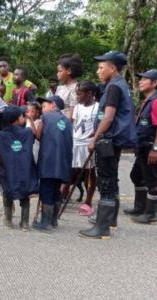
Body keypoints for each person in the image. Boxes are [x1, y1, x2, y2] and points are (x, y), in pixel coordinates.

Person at [79, 50, 137, 240]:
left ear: (112, 68)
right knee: (111, 179)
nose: (98, 71)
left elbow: (108, 117)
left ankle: (102, 227)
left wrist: (94, 138)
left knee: (105, 181)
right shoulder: (121, 85)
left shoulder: (113, 87)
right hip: (114, 140)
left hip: (108, 140)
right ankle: (110, 220)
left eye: (101, 67)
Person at [122, 70, 157, 224]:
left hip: (150, 148)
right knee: (136, 176)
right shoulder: (149, 100)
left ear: (154, 83)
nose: (141, 82)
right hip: (142, 147)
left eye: (144, 79)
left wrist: (156, 149)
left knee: (152, 181)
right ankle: (140, 207)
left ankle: (150, 214)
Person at [29, 95, 73, 232]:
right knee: (56, 191)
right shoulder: (67, 121)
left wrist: (30, 121)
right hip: (63, 163)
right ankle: (53, 220)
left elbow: (38, 136)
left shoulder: (46, 117)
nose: (43, 110)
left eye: (44, 106)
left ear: (53, 105)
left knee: (46, 191)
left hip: (49, 161)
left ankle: (45, 223)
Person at [0, 105, 38, 231]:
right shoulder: (27, 132)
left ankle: (8, 219)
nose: (23, 117)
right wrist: (30, 120)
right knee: (25, 195)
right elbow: (35, 134)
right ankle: (24, 223)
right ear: (17, 118)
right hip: (25, 170)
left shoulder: (0, 135)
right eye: (22, 115)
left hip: (8, 170)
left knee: (7, 193)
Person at [71, 81, 99, 216]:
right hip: (75, 143)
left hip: (87, 145)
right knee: (70, 172)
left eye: (80, 93)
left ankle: (88, 202)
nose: (77, 96)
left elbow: (100, 127)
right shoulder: (77, 107)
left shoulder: (98, 108)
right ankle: (61, 196)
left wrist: (94, 140)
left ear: (90, 94)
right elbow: (75, 124)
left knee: (90, 174)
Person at [56, 54, 83, 119]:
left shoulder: (76, 88)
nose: (57, 74)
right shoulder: (60, 88)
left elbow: (72, 112)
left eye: (60, 71)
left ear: (69, 71)